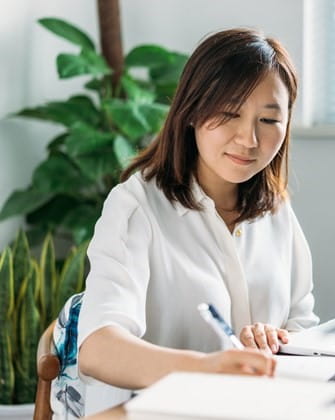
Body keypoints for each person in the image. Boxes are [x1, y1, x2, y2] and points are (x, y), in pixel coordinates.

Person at [52, 28, 319, 417]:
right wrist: (204, 370)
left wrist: (277, 341)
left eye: (268, 119)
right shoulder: (136, 206)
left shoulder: (276, 209)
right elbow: (98, 348)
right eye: (229, 114)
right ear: (192, 111)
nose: (248, 139)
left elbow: (302, 323)